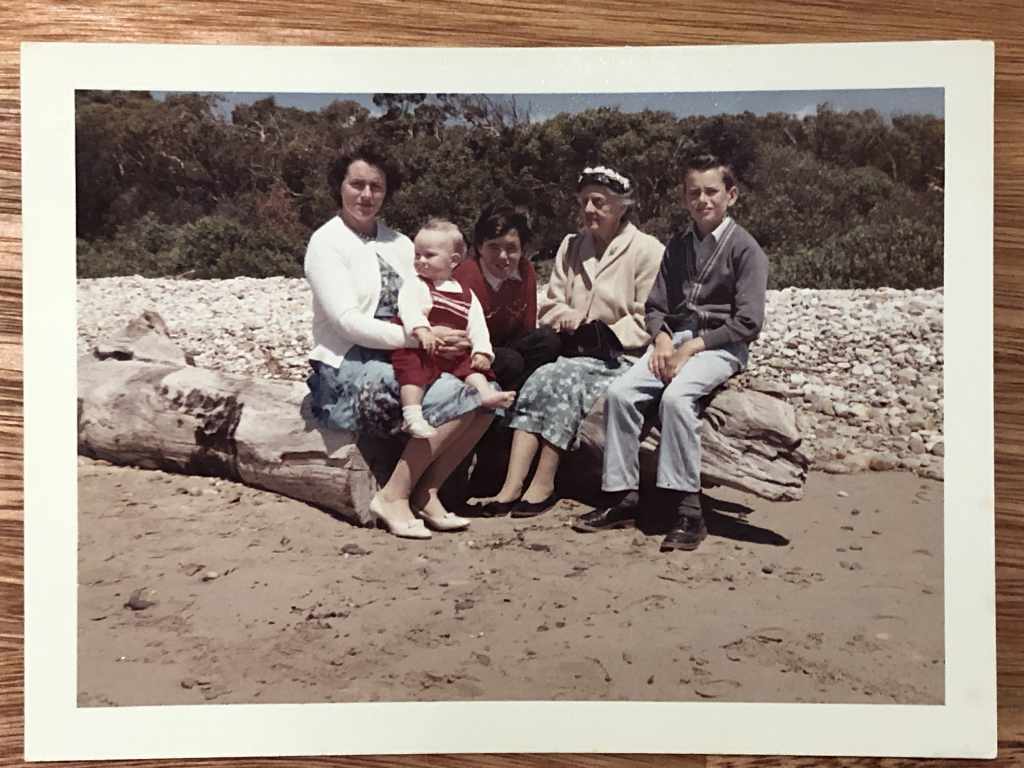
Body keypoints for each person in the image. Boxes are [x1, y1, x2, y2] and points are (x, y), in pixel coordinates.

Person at [572, 153, 769, 552]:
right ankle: (622, 496)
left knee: (677, 399)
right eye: (694, 192)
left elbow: (749, 323)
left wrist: (693, 347)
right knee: (620, 395)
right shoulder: (678, 245)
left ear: (731, 195)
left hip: (720, 345)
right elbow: (656, 305)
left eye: (712, 191)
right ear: (684, 198)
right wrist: (661, 339)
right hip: (674, 339)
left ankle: (688, 510)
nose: (703, 200)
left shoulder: (746, 250)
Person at [304, 145, 492, 539]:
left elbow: (432, 296)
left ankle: (427, 491)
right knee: (453, 397)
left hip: (407, 355)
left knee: (484, 402)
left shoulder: (400, 243)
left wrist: (455, 340)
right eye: (357, 185)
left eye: (377, 187)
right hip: (345, 366)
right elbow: (345, 322)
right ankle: (393, 495)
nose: (366, 195)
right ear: (339, 186)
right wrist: (418, 337)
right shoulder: (326, 243)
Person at [469, 165, 664, 518]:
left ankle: (543, 483)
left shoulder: (647, 250)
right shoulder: (572, 246)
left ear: (622, 206)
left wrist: (597, 326)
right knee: (540, 379)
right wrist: (567, 319)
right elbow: (553, 301)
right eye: (584, 202)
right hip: (575, 350)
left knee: (558, 380)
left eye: (599, 202)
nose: (590, 210)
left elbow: (649, 316)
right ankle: (511, 487)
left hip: (622, 356)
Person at [393, 218, 515, 438]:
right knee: (413, 369)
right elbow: (408, 309)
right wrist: (422, 330)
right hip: (424, 347)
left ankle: (485, 393)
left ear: (454, 260)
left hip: (453, 352)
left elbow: (477, 325)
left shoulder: (465, 293)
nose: (421, 261)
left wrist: (482, 351)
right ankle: (411, 415)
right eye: (417, 255)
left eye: (429, 255)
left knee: (472, 368)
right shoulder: (417, 284)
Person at [454, 204, 560, 393]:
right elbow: (459, 341)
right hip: (474, 353)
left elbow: (527, 328)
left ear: (523, 250)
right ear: (479, 247)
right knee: (512, 361)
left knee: (548, 340)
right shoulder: (466, 277)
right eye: (493, 247)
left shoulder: (525, 271)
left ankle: (520, 394)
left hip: (509, 348)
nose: (503, 257)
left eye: (511, 248)